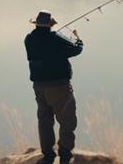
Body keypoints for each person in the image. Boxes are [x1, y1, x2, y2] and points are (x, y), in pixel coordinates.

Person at [25, 9, 84, 164]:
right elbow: (76, 49)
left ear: (36, 24)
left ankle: (48, 155)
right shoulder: (56, 38)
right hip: (59, 86)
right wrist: (78, 38)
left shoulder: (29, 39)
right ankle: (65, 155)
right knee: (67, 121)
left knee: (44, 120)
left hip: (39, 87)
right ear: (49, 25)